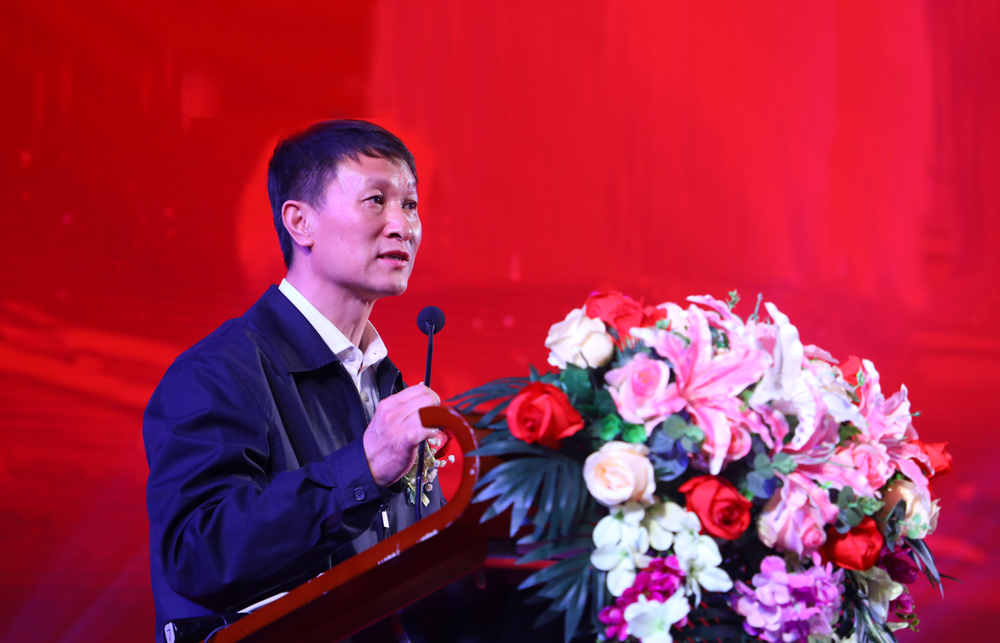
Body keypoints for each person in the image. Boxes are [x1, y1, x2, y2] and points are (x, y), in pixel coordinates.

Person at [143, 120, 446, 643]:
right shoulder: (218, 372)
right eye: (376, 201)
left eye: (411, 205)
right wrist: (365, 467)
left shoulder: (386, 382)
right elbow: (198, 554)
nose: (403, 226)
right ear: (300, 222)